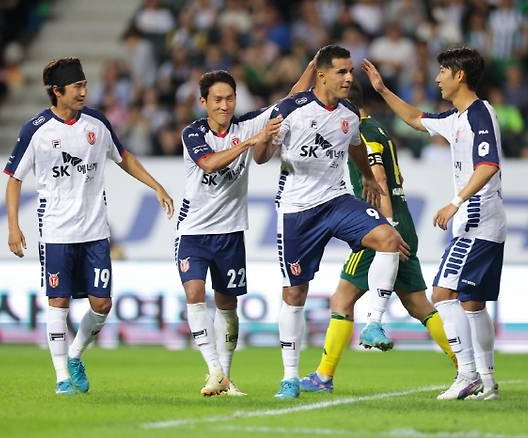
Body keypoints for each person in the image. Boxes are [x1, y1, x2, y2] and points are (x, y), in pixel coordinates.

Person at [4, 57, 174, 395]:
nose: (84, 90)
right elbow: (13, 178)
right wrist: (13, 225)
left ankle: (75, 355)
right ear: (57, 91)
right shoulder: (36, 129)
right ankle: (61, 378)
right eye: (77, 86)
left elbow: (124, 157)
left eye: (84, 84)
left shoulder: (96, 122)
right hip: (56, 232)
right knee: (58, 301)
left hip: (96, 232)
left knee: (102, 304)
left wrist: (155, 185)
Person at [254, 45, 406, 400]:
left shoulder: (350, 113)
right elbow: (261, 158)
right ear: (321, 75)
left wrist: (368, 177)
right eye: (341, 72)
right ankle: (290, 377)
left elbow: (353, 145)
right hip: (297, 211)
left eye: (350, 71)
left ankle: (373, 324)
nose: (349, 78)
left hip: (336, 200)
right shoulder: (290, 110)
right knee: (294, 293)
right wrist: (265, 139)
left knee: (388, 238)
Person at [363, 47, 506, 400]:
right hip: (484, 223)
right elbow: (414, 117)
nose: (437, 77)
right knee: (472, 303)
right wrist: (382, 90)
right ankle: (487, 381)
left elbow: (488, 166)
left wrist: (455, 203)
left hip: (476, 221)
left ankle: (468, 374)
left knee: (442, 294)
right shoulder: (456, 118)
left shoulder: (479, 115)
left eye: (443, 70)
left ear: (460, 75)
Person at [299, 82, 457, 393]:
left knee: (342, 299)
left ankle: (323, 377)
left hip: (381, 225)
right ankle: (465, 368)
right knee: (418, 304)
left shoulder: (364, 133)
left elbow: (380, 178)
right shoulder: (378, 129)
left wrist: (386, 229)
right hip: (401, 220)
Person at [177, 70, 282, 397]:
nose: (225, 105)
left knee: (227, 305)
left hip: (231, 232)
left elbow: (290, 98)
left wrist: (313, 66)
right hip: (193, 232)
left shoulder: (246, 124)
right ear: (204, 102)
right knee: (194, 295)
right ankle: (214, 371)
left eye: (230, 98)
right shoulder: (192, 133)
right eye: (218, 99)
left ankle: (226, 376)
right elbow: (209, 164)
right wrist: (250, 143)